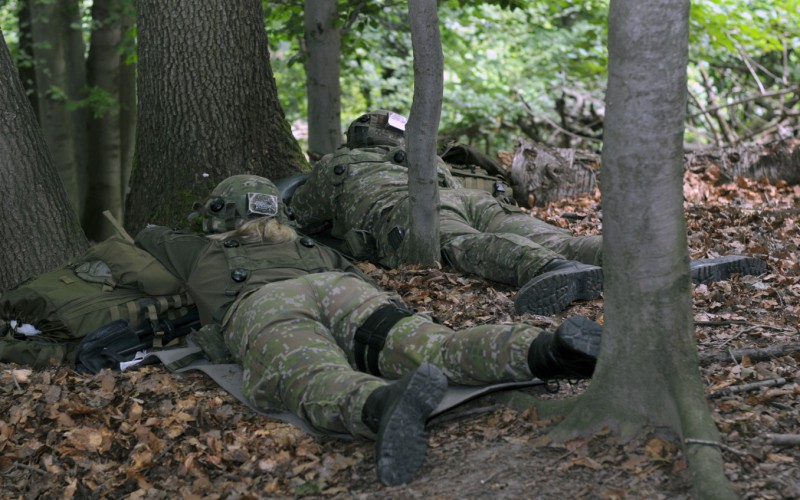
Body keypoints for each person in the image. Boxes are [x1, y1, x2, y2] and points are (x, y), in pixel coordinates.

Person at [135, 174, 603, 486]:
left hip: (265, 306)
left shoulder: (196, 251)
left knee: (310, 374)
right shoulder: (311, 246)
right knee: (434, 346)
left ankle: (381, 404)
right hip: (341, 290)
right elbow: (360, 277)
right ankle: (545, 350)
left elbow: (146, 235)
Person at [287, 109, 768, 316]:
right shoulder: (422, 156)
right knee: (548, 232)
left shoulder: (339, 166)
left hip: (410, 212)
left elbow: (301, 215)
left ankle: (553, 272)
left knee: (464, 247)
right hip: (473, 199)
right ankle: (646, 258)